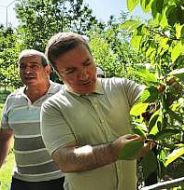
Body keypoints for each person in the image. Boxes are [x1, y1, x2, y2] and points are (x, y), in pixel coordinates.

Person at [40, 32, 154, 190]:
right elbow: (65, 160)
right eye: (71, 71)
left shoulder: (122, 87)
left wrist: (165, 95)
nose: (84, 74)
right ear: (58, 74)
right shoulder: (53, 108)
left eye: (87, 63)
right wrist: (113, 151)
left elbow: (151, 103)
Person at [0, 50, 64, 190]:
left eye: (34, 66)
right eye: (23, 66)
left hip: (60, 179)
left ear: (47, 69)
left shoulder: (64, 95)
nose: (27, 70)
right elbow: (3, 138)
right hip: (22, 182)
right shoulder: (12, 100)